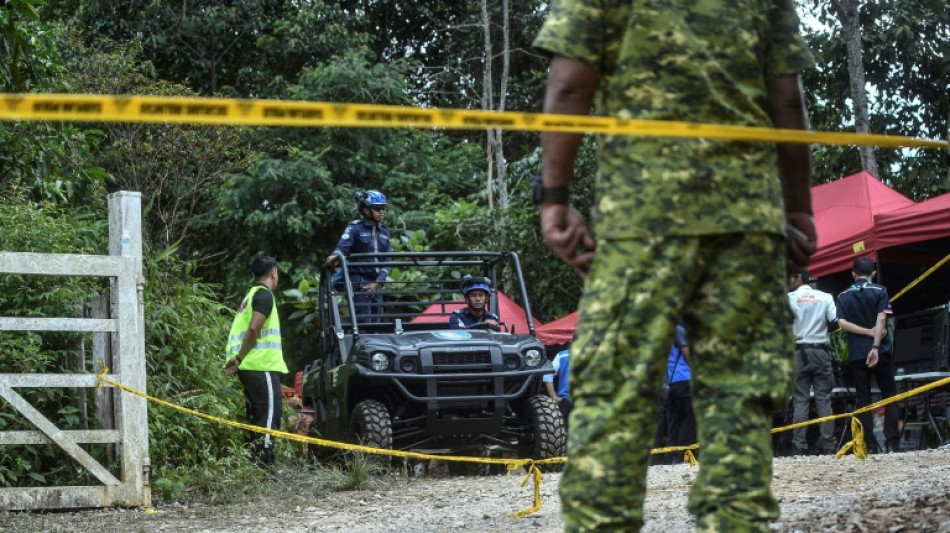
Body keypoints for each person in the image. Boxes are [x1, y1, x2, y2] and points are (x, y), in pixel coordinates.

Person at [533, 0, 816, 529]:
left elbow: (569, 86)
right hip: (743, 226)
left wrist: (553, 198)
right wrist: (799, 207)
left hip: (640, 225)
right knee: (738, 406)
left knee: (612, 402)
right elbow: (786, 99)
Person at [224, 256, 289, 471]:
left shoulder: (249, 297)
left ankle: (255, 465)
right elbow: (254, 328)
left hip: (249, 367)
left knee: (257, 416)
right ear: (273, 273)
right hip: (261, 366)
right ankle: (264, 466)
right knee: (269, 416)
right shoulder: (264, 295)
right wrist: (239, 358)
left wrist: (239, 360)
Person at [836, 257, 899, 454]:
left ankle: (869, 446)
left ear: (853, 274)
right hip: (881, 351)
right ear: (873, 274)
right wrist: (876, 345)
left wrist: (866, 333)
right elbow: (882, 318)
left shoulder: (843, 295)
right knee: (889, 395)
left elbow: (841, 323)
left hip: (857, 353)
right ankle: (892, 444)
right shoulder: (880, 290)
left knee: (863, 400)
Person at [787, 268, 838, 455]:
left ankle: (799, 446)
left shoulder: (789, 298)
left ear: (798, 279)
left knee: (800, 400)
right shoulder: (825, 297)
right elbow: (835, 320)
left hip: (798, 351)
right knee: (823, 399)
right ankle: (828, 445)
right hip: (820, 351)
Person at [325, 190, 392, 324]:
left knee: (376, 323)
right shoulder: (355, 228)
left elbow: (387, 260)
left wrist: (378, 282)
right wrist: (334, 256)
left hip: (376, 283)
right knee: (363, 323)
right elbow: (343, 248)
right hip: (359, 281)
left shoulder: (385, 232)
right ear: (366, 210)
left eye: (383, 208)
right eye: (377, 208)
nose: (381, 211)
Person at [663, 324, 695, 465]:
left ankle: (668, 460)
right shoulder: (679, 329)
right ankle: (681, 456)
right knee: (689, 418)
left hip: (671, 383)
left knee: (673, 423)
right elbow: (685, 351)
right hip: (683, 379)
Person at [544, 348, 572, 432]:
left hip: (566, 400)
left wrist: (554, 397)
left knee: (566, 432)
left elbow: (547, 375)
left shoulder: (562, 355)